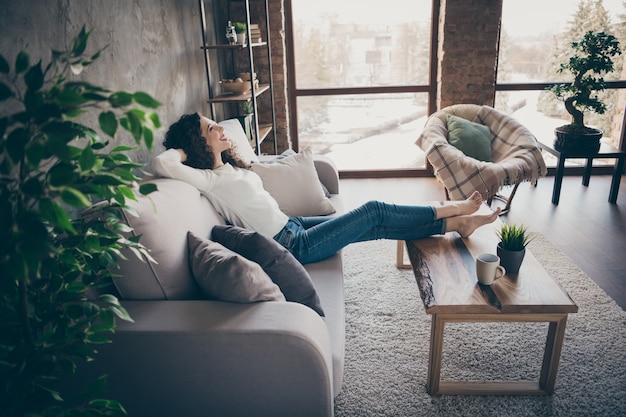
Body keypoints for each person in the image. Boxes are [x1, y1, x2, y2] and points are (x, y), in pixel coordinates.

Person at [153, 113, 501, 264]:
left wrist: (201, 140)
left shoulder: (228, 168)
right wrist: (185, 149)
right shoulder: (209, 180)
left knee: (378, 225)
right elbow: (161, 164)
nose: (220, 129)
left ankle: (456, 224)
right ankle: (452, 209)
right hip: (292, 246)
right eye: (211, 128)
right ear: (199, 142)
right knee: (374, 210)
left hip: (293, 226)